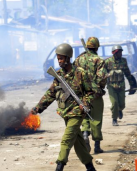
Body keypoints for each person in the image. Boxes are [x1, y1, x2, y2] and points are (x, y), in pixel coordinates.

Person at [31, 43, 97, 171]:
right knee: (78, 143)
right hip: (65, 113)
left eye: (61, 58)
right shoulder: (59, 75)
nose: (59, 61)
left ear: (68, 58)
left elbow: (91, 92)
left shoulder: (80, 73)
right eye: (58, 58)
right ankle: (90, 167)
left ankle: (59, 166)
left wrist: (86, 104)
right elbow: (51, 93)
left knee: (66, 140)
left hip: (77, 113)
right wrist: (38, 108)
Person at [73, 37, 107, 154]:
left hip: (81, 95)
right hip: (95, 94)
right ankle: (97, 146)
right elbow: (102, 78)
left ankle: (85, 134)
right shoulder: (99, 60)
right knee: (96, 119)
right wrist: (99, 87)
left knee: (85, 117)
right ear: (97, 47)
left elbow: (73, 74)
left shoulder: (78, 59)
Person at [104, 45, 136, 126]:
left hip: (121, 86)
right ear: (115, 53)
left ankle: (120, 110)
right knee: (114, 103)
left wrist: (132, 84)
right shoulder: (107, 62)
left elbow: (127, 73)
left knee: (122, 104)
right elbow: (102, 73)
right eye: (119, 52)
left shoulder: (123, 61)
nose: (121, 53)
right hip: (111, 86)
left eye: (121, 52)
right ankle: (114, 119)